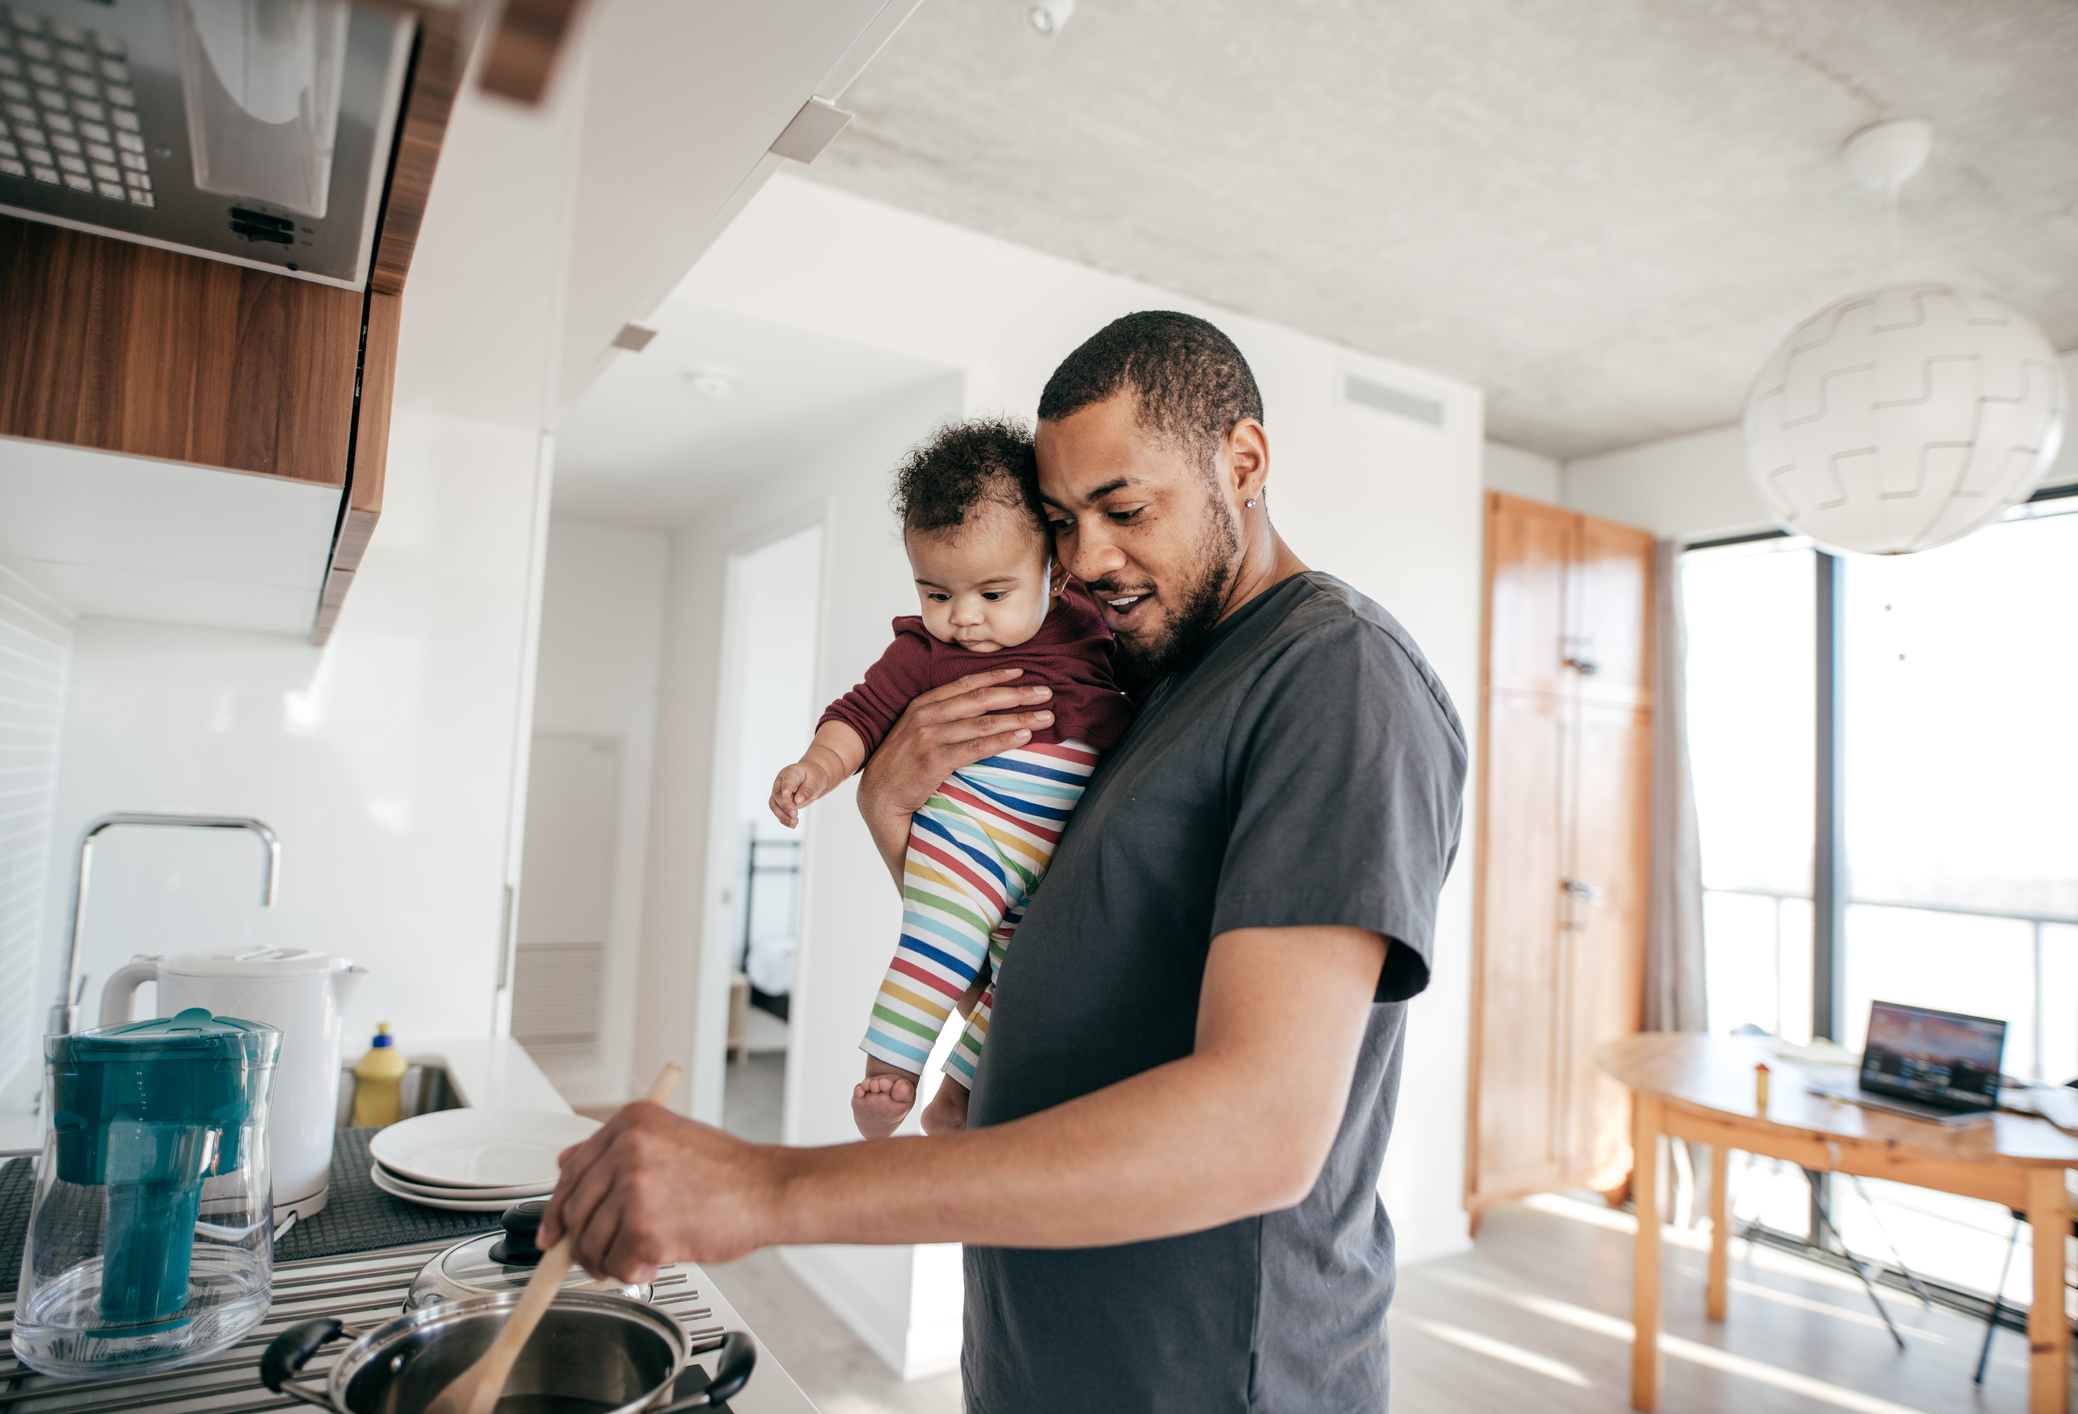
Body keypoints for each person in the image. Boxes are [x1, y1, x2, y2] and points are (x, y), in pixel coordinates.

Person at [544, 310, 1467, 1412]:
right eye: (1061, 520)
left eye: (1122, 509)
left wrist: (768, 1185)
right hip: (1040, 1353)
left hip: (1205, 1376)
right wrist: (894, 817)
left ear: (1244, 462)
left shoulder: (1334, 679)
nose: (1084, 559)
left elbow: (1258, 1130)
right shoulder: (1140, 679)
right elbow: (1057, 940)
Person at [767, 419, 1130, 1139]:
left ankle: (957, 1098)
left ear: (1056, 576)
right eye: (937, 594)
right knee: (939, 951)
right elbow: (861, 713)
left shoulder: (1093, 626)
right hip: (968, 836)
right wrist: (818, 766)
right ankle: (891, 1072)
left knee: (1032, 981)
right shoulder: (924, 653)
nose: (962, 619)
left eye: (993, 594)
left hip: (1052, 863)